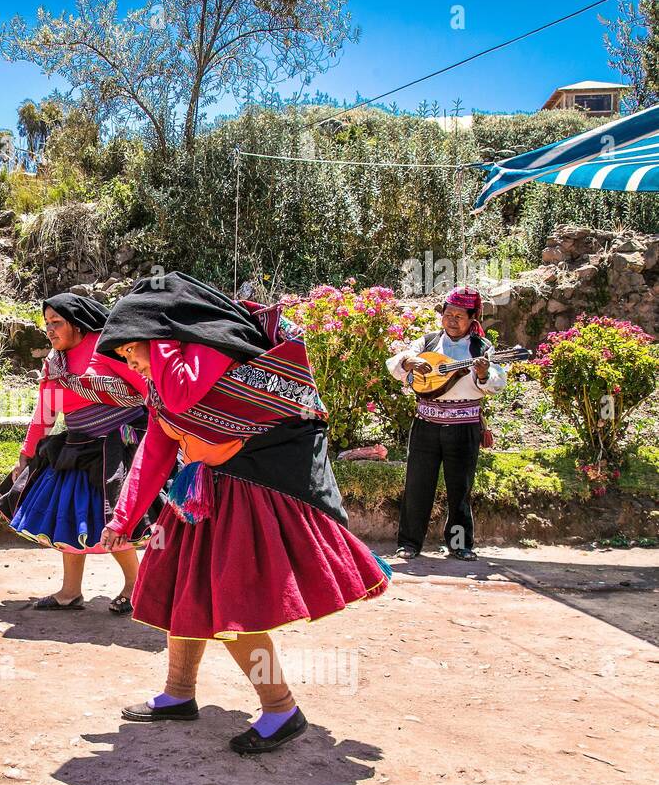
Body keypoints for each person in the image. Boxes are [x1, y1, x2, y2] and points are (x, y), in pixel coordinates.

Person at [97, 272, 391, 755]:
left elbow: (185, 398)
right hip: (199, 496)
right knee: (186, 595)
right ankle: (179, 693)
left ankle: (281, 708)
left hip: (246, 494)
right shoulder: (164, 381)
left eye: (131, 347)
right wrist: (123, 519)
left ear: (161, 334)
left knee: (232, 606)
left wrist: (165, 345)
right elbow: (156, 447)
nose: (128, 360)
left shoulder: (210, 355)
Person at [0, 293, 163, 613]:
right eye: (46, 324)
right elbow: (44, 413)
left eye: (57, 322)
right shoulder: (54, 364)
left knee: (110, 517)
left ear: (78, 323)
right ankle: (70, 591)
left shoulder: (106, 348)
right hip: (76, 447)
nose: (50, 330)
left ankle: (134, 584)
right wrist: (26, 455)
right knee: (71, 517)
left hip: (116, 450)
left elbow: (147, 388)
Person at [386, 287, 508, 562]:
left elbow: (497, 383)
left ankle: (459, 544)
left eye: (459, 316)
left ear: (472, 318)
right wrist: (410, 361)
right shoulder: (428, 343)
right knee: (417, 484)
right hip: (426, 423)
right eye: (448, 314)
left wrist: (484, 372)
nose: (452, 320)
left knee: (459, 489)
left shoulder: (481, 348)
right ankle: (409, 543)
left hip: (464, 427)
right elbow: (395, 364)